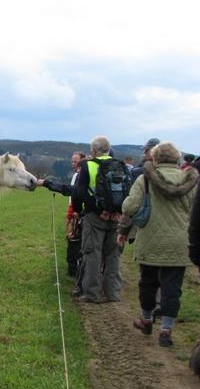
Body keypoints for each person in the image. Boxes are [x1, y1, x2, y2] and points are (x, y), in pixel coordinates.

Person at [121, 142, 198, 347]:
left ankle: (146, 319)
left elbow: (129, 207)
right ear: (177, 160)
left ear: (155, 159)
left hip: (150, 239)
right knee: (173, 288)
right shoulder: (191, 181)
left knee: (148, 283)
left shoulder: (144, 180)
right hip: (180, 240)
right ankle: (166, 330)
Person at [76, 136, 124, 304]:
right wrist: (118, 211)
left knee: (92, 254)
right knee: (113, 256)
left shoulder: (88, 165)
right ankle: (113, 293)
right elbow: (128, 192)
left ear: (94, 151)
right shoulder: (121, 166)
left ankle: (92, 294)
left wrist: (99, 209)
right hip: (116, 217)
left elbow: (81, 192)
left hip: (95, 217)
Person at [37, 151, 87, 277]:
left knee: (79, 246)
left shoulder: (82, 178)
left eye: (76, 162)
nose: (73, 164)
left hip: (83, 216)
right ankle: (74, 271)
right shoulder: (76, 176)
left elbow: (70, 191)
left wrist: (47, 183)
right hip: (76, 214)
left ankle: (80, 275)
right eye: (72, 161)